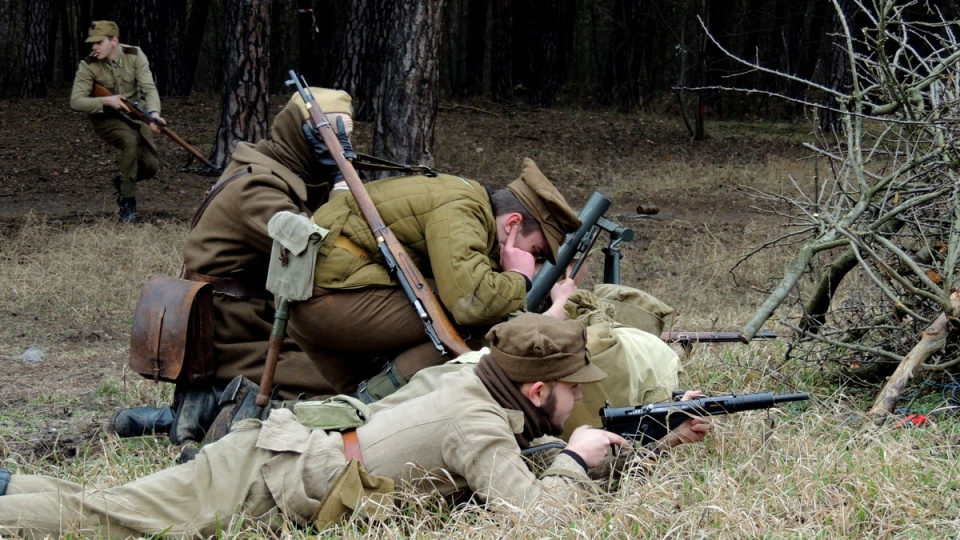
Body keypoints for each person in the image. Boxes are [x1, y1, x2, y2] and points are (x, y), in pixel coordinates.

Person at [0, 314, 710, 538]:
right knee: (107, 519)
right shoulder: (479, 424)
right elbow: (541, 518)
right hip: (265, 477)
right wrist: (581, 464)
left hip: (281, 451)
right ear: (534, 388)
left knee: (103, 503)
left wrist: (643, 448)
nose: (577, 401)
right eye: (570, 390)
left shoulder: (476, 383)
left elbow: (540, 454)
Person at [109, 88, 356, 450]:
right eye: (332, 133)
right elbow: (329, 257)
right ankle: (213, 403)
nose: (343, 144)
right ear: (300, 135)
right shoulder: (260, 187)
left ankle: (189, 409)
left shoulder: (276, 169)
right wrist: (341, 180)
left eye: (348, 134)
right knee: (349, 384)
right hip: (236, 337)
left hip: (255, 323)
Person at [287, 158, 583, 397]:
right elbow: (472, 303)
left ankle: (364, 408)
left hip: (312, 296)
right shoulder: (464, 209)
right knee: (476, 324)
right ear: (514, 223)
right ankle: (375, 401)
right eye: (535, 251)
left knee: (352, 420)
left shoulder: (463, 200)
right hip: (326, 298)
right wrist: (520, 276)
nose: (533, 262)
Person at [69, 21, 164, 223]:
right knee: (130, 142)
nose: (94, 47)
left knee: (151, 165)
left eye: (99, 42)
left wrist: (154, 114)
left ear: (114, 41)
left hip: (136, 116)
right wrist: (106, 100)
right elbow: (76, 101)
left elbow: (149, 88)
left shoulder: (134, 55)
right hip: (106, 117)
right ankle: (128, 204)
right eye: (92, 43)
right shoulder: (88, 65)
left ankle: (123, 182)